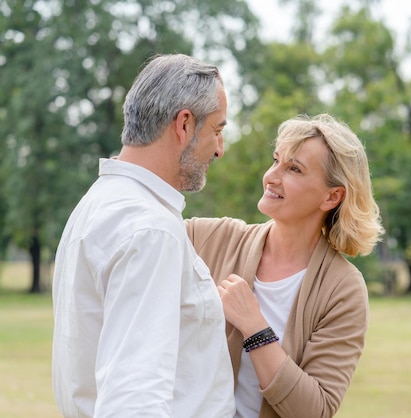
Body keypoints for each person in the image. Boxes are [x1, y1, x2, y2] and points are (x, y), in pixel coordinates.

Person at [51, 54, 235, 417]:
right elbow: (134, 399)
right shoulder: (151, 229)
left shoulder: (95, 206)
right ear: (184, 124)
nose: (219, 148)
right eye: (216, 130)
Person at [186, 113, 385, 418]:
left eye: (293, 169)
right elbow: (142, 229)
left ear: (332, 196)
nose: (271, 177)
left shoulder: (343, 289)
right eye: (276, 160)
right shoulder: (212, 237)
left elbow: (314, 410)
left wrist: (254, 325)